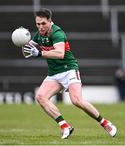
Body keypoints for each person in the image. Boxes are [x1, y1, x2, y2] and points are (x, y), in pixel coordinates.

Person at [22, 8, 117, 139]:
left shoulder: (57, 33)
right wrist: (22, 39)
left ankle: (105, 123)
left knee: (76, 100)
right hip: (54, 74)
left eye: (43, 23)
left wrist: (39, 53)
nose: (40, 27)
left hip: (69, 70)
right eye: (38, 24)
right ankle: (65, 126)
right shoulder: (39, 35)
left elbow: (60, 54)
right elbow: (27, 50)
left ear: (50, 21)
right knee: (40, 97)